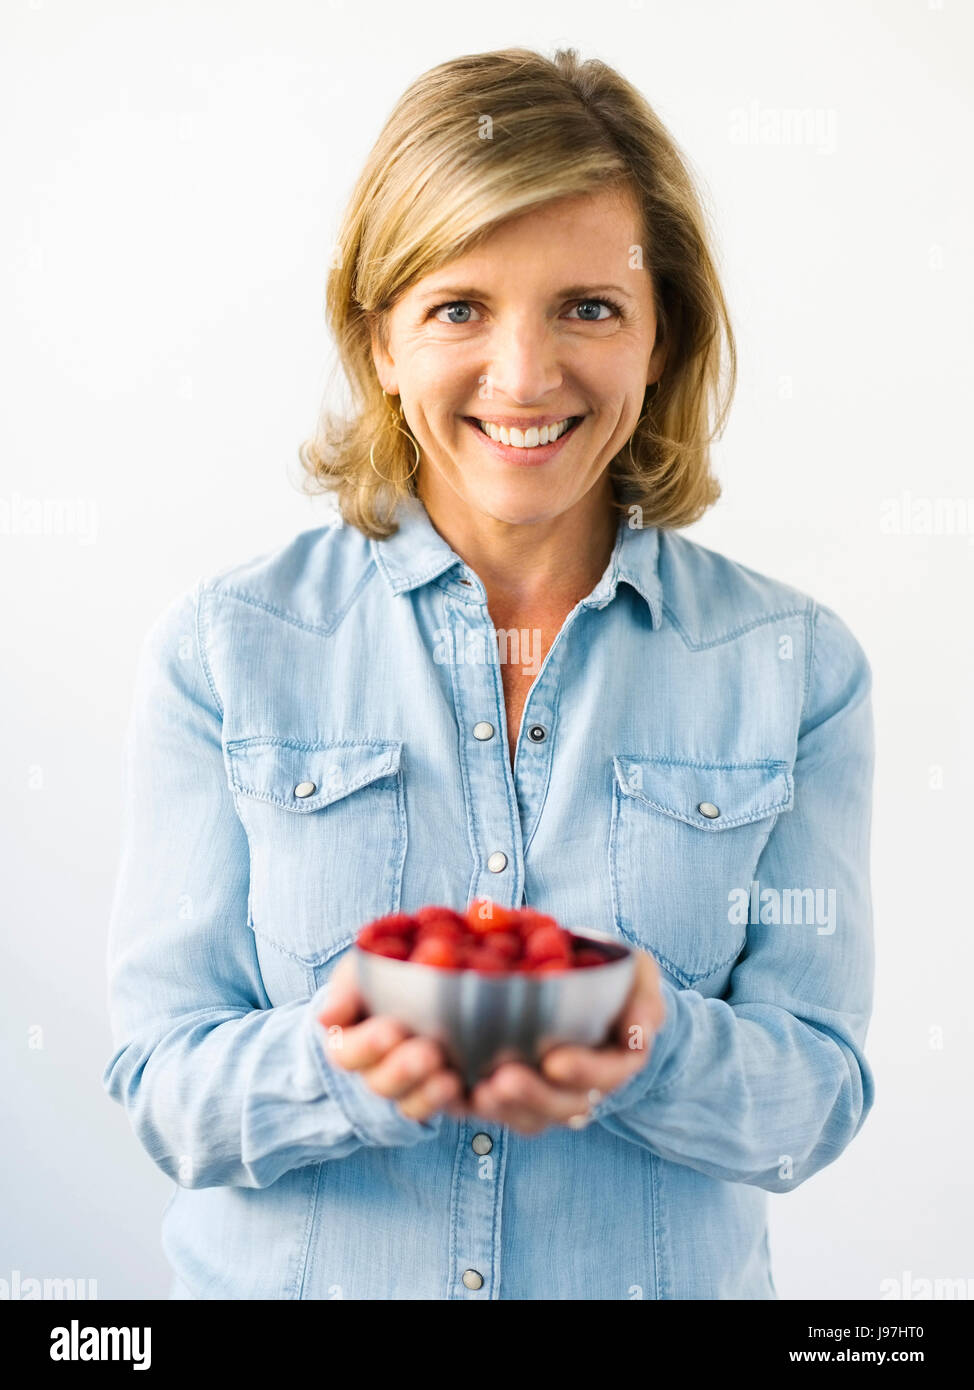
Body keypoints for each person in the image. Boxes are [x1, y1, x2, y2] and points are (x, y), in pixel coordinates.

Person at [103, 46, 875, 1300]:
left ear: (659, 335)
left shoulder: (795, 671)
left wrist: (643, 1035)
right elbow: (162, 1094)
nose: (523, 377)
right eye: (459, 307)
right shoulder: (223, 649)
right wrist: (346, 1066)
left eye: (587, 306)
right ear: (381, 341)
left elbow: (815, 1101)